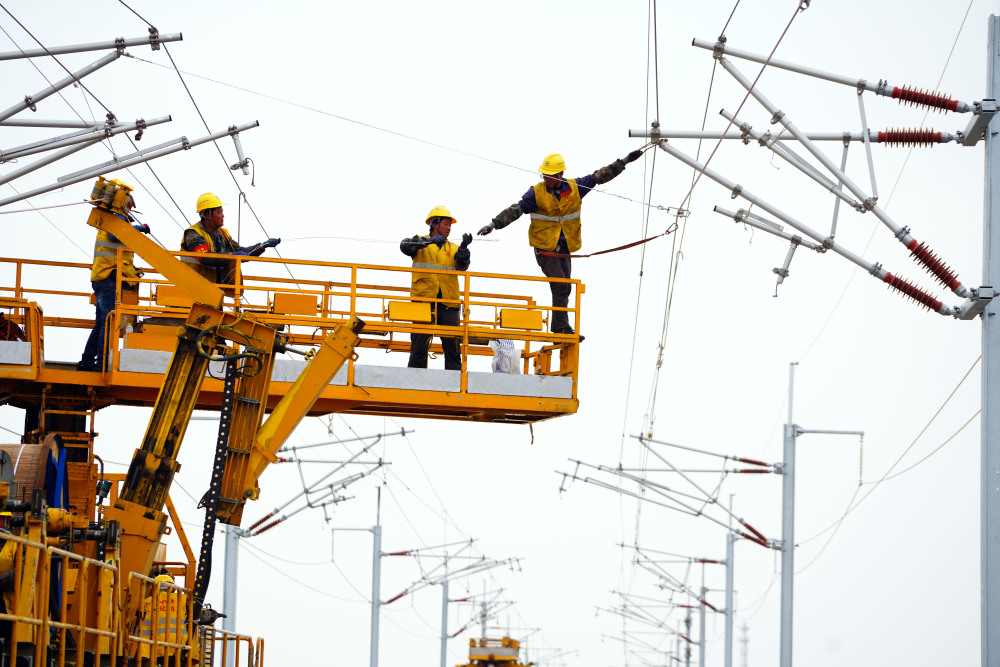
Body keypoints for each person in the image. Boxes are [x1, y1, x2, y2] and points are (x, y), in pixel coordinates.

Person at [478, 150, 643, 338]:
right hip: (545, 248)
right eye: (544, 176)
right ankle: (562, 329)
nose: (546, 179)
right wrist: (494, 224)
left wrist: (625, 161)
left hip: (565, 247)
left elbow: (599, 176)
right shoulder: (536, 192)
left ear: (560, 175)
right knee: (560, 284)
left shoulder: (575, 187)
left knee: (566, 287)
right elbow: (517, 209)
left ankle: (558, 326)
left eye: (549, 176)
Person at [77, 194, 150, 372]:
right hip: (107, 279)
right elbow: (116, 235)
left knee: (101, 323)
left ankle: (87, 361)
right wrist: (138, 228)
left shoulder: (114, 222)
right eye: (129, 206)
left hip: (103, 278)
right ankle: (101, 364)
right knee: (108, 322)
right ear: (121, 205)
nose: (131, 210)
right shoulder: (115, 222)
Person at [399, 205, 471, 370]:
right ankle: (415, 382)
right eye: (446, 224)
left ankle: (455, 385)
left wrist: (464, 249)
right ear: (434, 224)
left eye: (450, 225)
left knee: (453, 347)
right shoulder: (419, 242)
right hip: (423, 302)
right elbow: (405, 246)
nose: (449, 228)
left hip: (448, 304)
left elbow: (462, 266)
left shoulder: (453, 248)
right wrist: (429, 241)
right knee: (419, 346)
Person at [180, 192, 281, 284]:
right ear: (207, 215)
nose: (223, 215)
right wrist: (232, 255)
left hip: (213, 289)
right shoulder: (193, 233)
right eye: (219, 212)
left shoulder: (223, 234)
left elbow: (242, 252)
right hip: (192, 287)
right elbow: (205, 257)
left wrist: (263, 246)